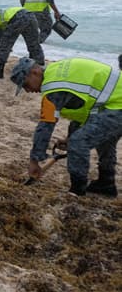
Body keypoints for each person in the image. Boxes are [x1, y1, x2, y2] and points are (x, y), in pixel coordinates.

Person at [12, 57, 121, 197]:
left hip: (117, 105)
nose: (28, 90)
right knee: (105, 139)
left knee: (79, 142)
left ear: (34, 72)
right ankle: (106, 184)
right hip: (112, 103)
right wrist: (69, 137)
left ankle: (77, 191)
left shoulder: (53, 88)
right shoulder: (57, 71)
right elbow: (83, 111)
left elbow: (45, 125)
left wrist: (35, 160)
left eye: (26, 85)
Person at [0, 7, 45, 78]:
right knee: (33, 44)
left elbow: (0, 35)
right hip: (30, 15)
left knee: (3, 43)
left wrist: (6, 46)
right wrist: (7, 46)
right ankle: (40, 66)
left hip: (18, 18)